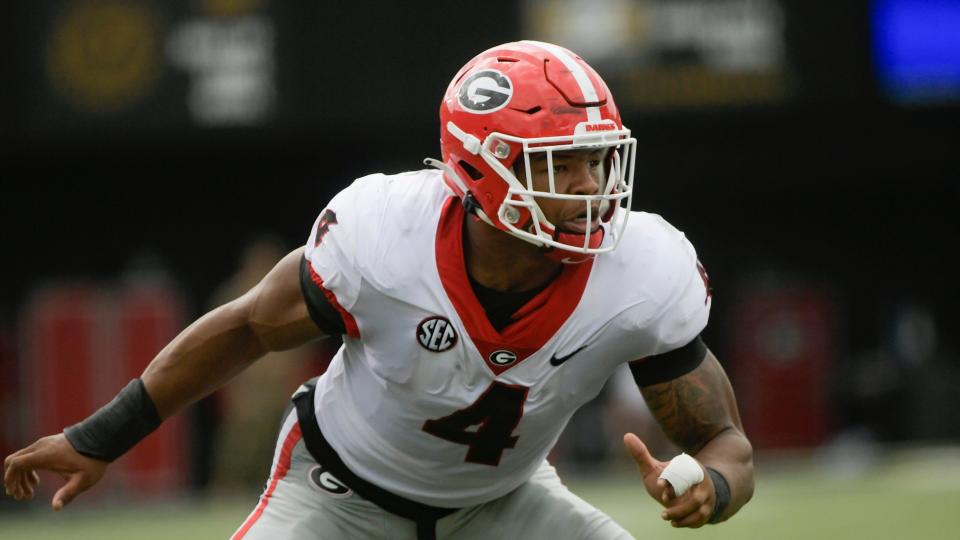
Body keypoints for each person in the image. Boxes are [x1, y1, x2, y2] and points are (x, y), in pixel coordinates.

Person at [3, 41, 753, 539]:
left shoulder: (643, 269)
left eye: (596, 157)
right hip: (338, 494)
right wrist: (99, 437)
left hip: (504, 505)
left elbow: (726, 444)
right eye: (560, 165)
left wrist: (711, 487)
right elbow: (245, 328)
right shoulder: (384, 236)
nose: (591, 185)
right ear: (482, 171)